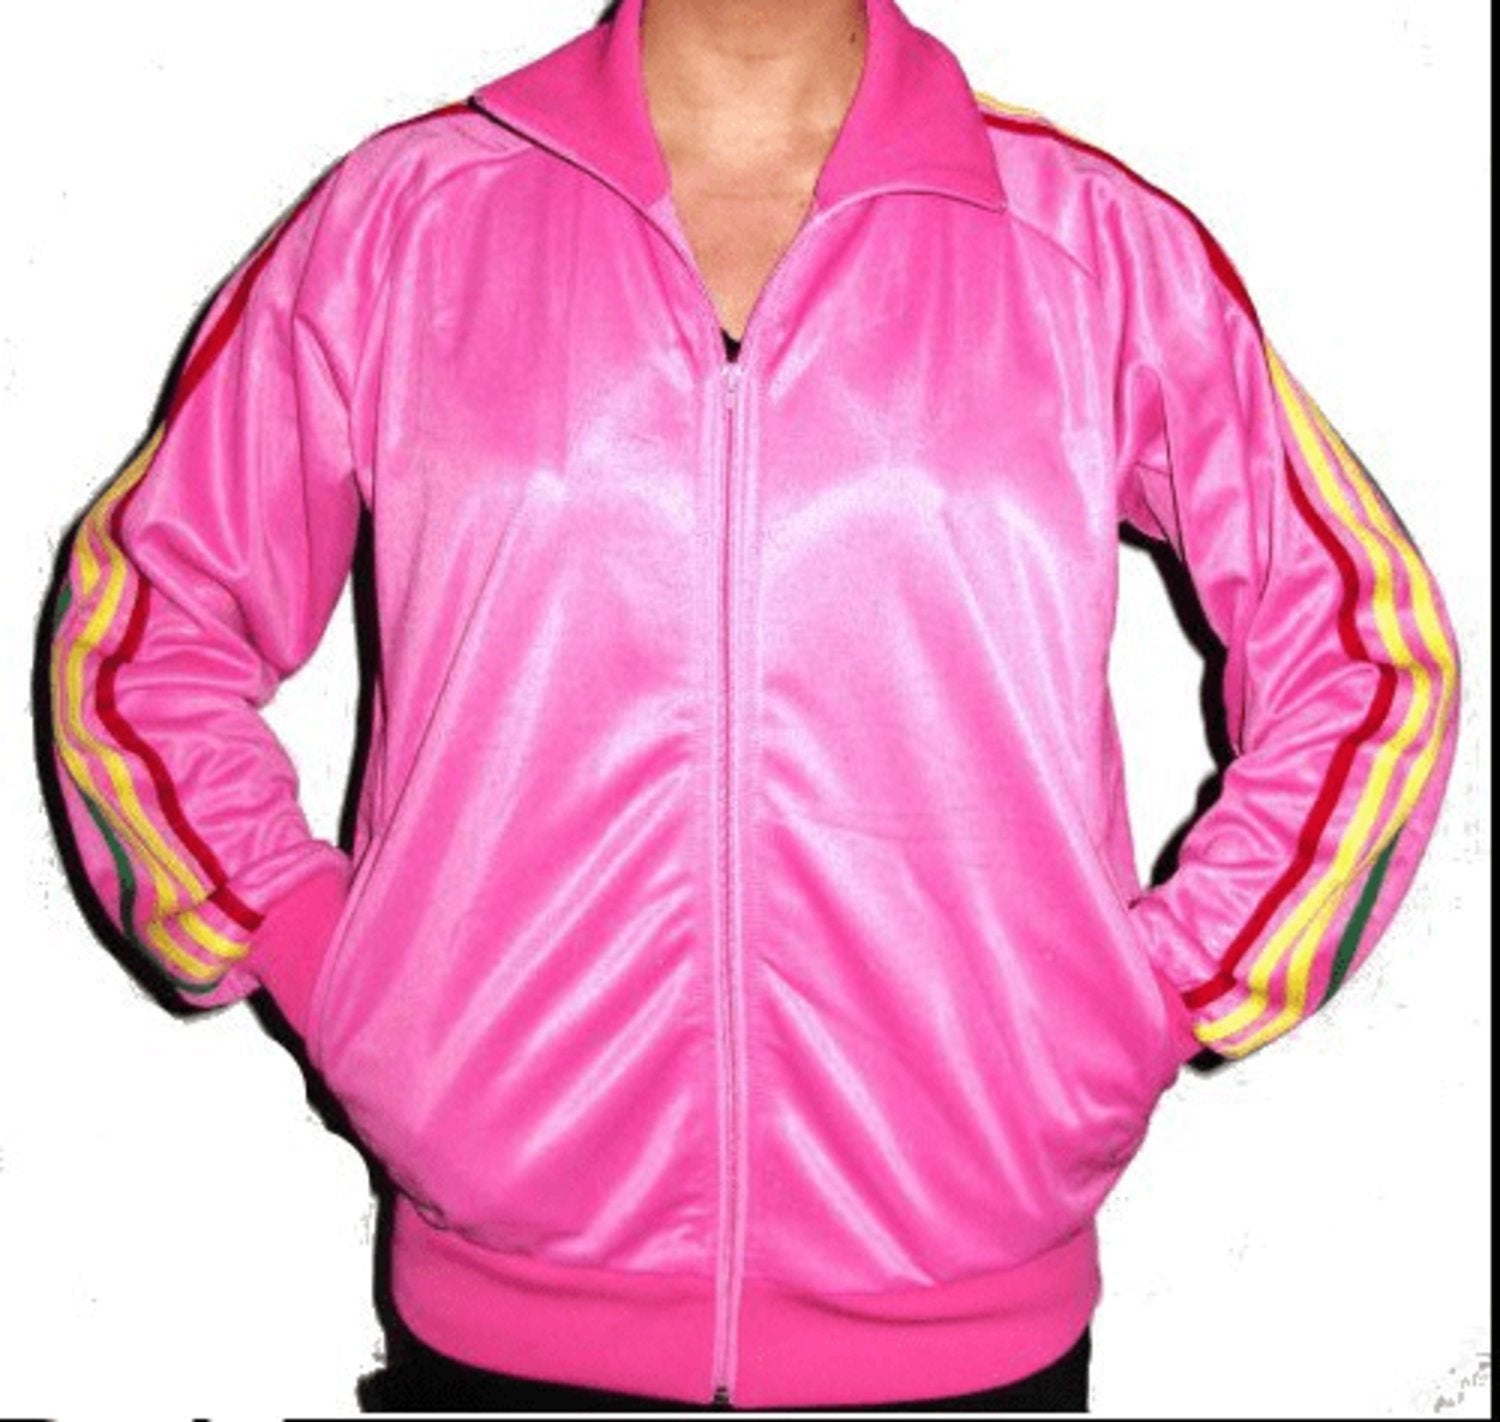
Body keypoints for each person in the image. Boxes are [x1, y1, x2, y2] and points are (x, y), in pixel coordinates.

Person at [43, 0, 1463, 1413]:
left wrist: (1145, 1001)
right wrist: (324, 959)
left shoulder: (1087, 245)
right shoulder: (406, 224)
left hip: (968, 1319)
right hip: (502, 1322)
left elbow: (1369, 656)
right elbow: (143, 626)